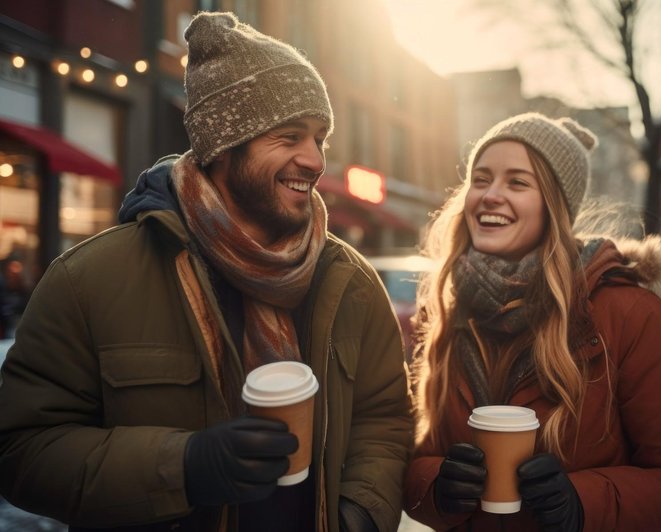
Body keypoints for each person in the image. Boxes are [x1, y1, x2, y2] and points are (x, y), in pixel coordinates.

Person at [0, 12, 412, 532]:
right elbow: (21, 449)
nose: (314, 160)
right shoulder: (89, 279)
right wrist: (184, 467)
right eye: (289, 137)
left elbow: (384, 422)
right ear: (223, 144)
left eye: (319, 139)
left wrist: (360, 517)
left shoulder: (349, 281)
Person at [402, 113, 661, 531]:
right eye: (481, 179)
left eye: (517, 182)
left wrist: (582, 502)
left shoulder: (628, 314)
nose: (490, 195)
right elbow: (410, 459)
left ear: (554, 205)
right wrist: (436, 485)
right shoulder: (444, 311)